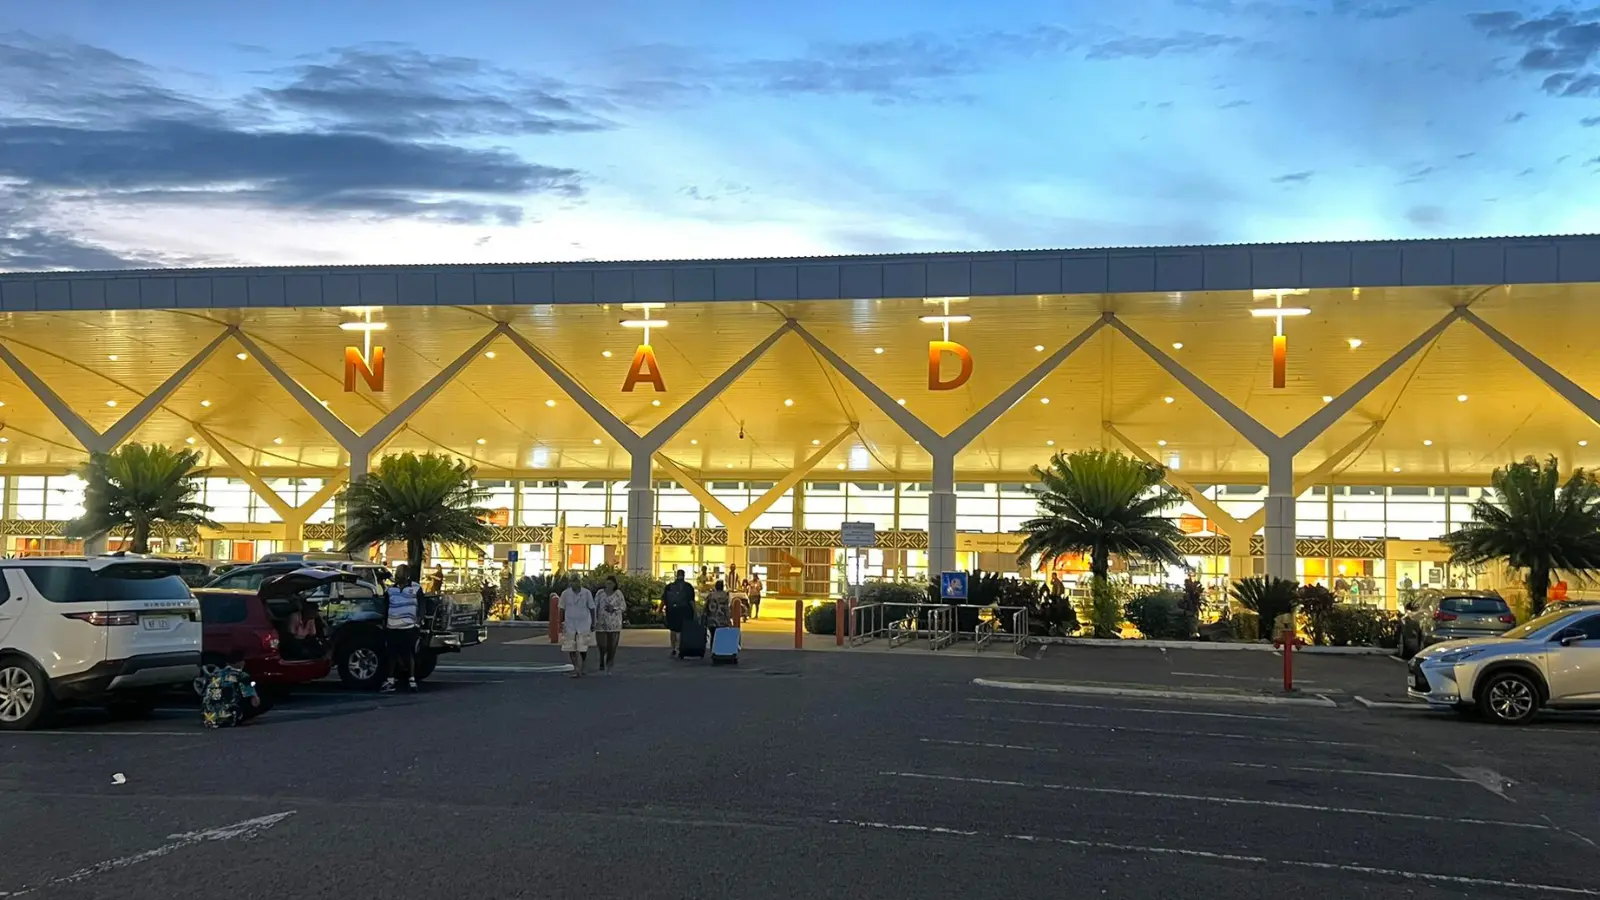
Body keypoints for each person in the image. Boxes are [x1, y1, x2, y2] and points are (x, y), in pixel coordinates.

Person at [382, 564, 422, 694]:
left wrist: (419, 620)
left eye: (401, 573)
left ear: (407, 575)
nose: (399, 576)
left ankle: (411, 680)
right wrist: (385, 623)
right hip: (392, 627)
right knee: (391, 655)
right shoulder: (390, 590)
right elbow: (385, 607)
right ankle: (390, 680)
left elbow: (422, 605)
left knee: (408, 654)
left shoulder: (416, 588)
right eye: (397, 573)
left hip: (409, 627)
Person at [202, 650, 262, 728]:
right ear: (241, 662)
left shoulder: (215, 674)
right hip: (229, 718)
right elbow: (255, 702)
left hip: (209, 718)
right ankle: (241, 717)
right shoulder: (241, 676)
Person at [559, 575, 596, 677]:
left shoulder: (586, 593)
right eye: (572, 581)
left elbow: (592, 608)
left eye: (576, 581)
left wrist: (593, 622)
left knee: (582, 647)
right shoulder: (565, 594)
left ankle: (582, 665)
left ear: (579, 582)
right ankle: (576, 668)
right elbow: (561, 608)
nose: (573, 583)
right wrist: (560, 622)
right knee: (571, 646)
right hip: (570, 622)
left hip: (584, 623)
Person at [594, 575, 626, 672]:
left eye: (611, 583)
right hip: (601, 622)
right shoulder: (600, 593)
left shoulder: (618, 594)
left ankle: (609, 661)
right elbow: (595, 606)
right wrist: (593, 619)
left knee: (612, 645)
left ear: (615, 584)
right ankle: (601, 659)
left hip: (614, 623)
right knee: (602, 644)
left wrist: (614, 609)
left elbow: (623, 607)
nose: (608, 585)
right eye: (607, 583)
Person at [663, 569, 696, 658]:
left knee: (673, 630)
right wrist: (695, 612)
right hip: (685, 611)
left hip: (672, 611)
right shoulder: (688, 587)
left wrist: (660, 610)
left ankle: (673, 648)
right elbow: (691, 601)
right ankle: (679, 648)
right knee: (682, 631)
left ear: (676, 575)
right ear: (684, 576)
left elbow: (664, 600)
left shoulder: (669, 586)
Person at [703, 579, 732, 655]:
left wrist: (704, 617)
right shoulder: (725, 596)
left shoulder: (711, 595)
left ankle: (713, 651)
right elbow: (726, 609)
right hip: (722, 620)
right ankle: (719, 651)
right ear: (722, 587)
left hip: (712, 620)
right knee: (721, 637)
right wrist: (728, 619)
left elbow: (705, 607)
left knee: (713, 635)